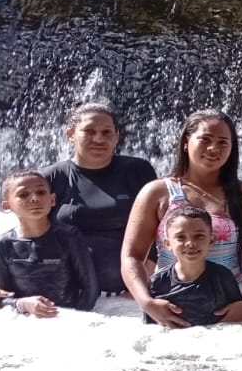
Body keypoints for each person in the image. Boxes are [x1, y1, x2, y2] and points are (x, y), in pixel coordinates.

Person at [122, 110, 242, 329]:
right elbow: (131, 256)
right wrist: (147, 302)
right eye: (205, 139)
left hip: (230, 303)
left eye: (223, 142)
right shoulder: (157, 193)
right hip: (169, 304)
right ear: (185, 142)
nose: (214, 148)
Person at [41, 102, 156, 295]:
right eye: (89, 131)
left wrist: (144, 277)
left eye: (106, 132)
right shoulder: (50, 177)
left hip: (126, 293)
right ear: (70, 134)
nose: (98, 139)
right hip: (66, 292)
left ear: (117, 136)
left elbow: (159, 225)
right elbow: (29, 232)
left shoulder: (137, 171)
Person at [0, 170, 98, 316]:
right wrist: (21, 305)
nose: (35, 198)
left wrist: (75, 316)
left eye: (41, 192)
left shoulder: (69, 236)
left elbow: (90, 289)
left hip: (68, 316)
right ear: (7, 206)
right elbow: (0, 297)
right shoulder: (1, 245)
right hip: (25, 318)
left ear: (52, 199)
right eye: (23, 195)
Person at [144, 205, 242, 327]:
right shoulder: (157, 282)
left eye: (199, 236)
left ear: (211, 240)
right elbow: (150, 328)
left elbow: (238, 318)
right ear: (168, 244)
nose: (190, 244)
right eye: (181, 237)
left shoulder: (223, 277)